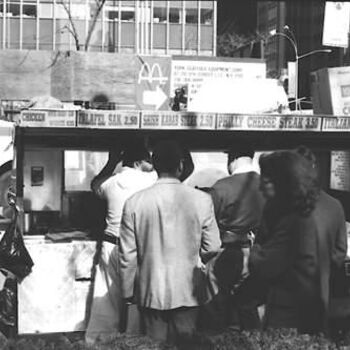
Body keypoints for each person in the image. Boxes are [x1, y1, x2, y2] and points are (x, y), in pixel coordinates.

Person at [119, 140, 221, 343]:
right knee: (186, 344)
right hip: (188, 290)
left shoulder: (134, 202)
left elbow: (127, 255)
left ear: (154, 166)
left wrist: (128, 290)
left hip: (150, 291)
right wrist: (195, 258)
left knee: (154, 345)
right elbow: (213, 246)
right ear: (181, 165)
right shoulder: (202, 200)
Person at [249, 150, 347, 334]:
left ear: (284, 182)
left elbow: (264, 266)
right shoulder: (328, 206)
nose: (261, 187)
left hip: (288, 316)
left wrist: (254, 251)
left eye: (266, 181)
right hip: (317, 303)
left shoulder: (291, 219)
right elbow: (339, 252)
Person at [85, 142, 156, 343]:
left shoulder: (112, 182)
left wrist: (111, 161)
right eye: (148, 160)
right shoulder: (151, 179)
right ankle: (134, 340)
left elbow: (95, 185)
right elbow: (179, 173)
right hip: (138, 247)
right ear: (137, 162)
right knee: (136, 298)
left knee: (106, 296)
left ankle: (98, 341)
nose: (151, 163)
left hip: (111, 243)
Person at [206, 143, 265, 330]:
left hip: (224, 253)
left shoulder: (221, 187)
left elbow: (207, 222)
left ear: (234, 159)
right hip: (256, 253)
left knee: (216, 308)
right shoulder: (268, 186)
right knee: (248, 309)